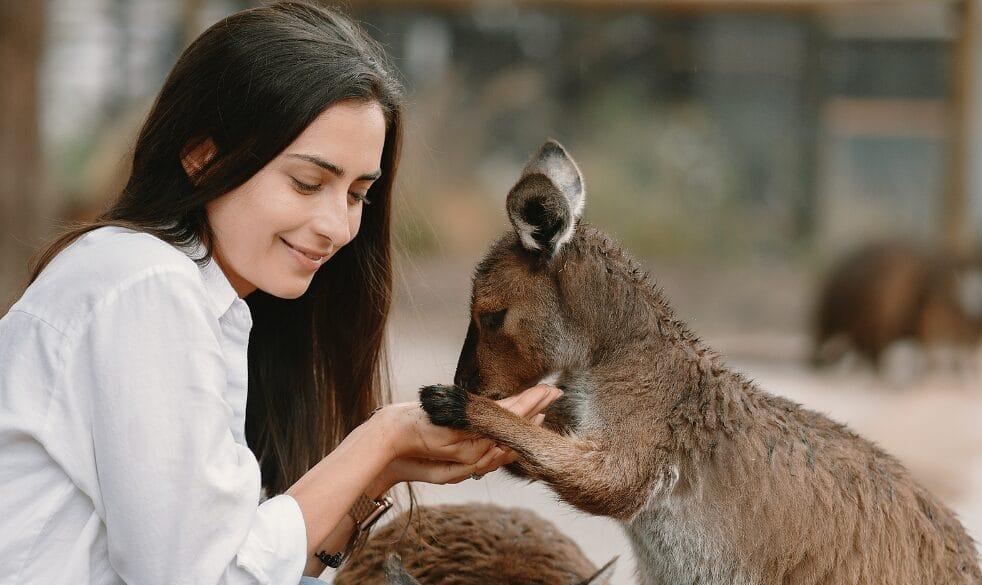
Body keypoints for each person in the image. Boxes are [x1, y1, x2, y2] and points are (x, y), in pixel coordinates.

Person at [0, 2, 561, 584]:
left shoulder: (210, 304)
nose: (339, 227)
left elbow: (251, 566)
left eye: (356, 194)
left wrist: (382, 469)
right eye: (308, 182)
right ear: (202, 156)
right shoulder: (143, 281)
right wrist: (380, 439)